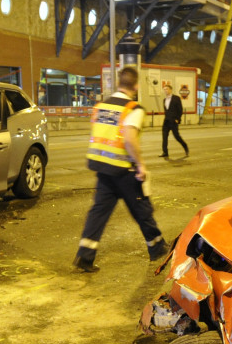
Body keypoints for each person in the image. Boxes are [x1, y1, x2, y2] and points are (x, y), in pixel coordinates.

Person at [73, 66, 167, 273]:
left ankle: (85, 255)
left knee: (98, 212)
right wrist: (140, 164)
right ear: (135, 86)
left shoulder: (102, 105)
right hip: (123, 169)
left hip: (102, 167)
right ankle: (157, 247)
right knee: (141, 208)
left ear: (118, 84)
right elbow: (129, 137)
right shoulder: (133, 109)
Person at [159, 83, 187, 158]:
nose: (165, 91)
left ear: (170, 90)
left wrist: (178, 119)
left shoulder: (176, 98)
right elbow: (166, 111)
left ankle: (185, 147)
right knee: (164, 137)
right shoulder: (164, 100)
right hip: (166, 121)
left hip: (173, 121)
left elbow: (180, 110)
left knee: (177, 136)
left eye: (167, 89)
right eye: (164, 89)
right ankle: (165, 152)